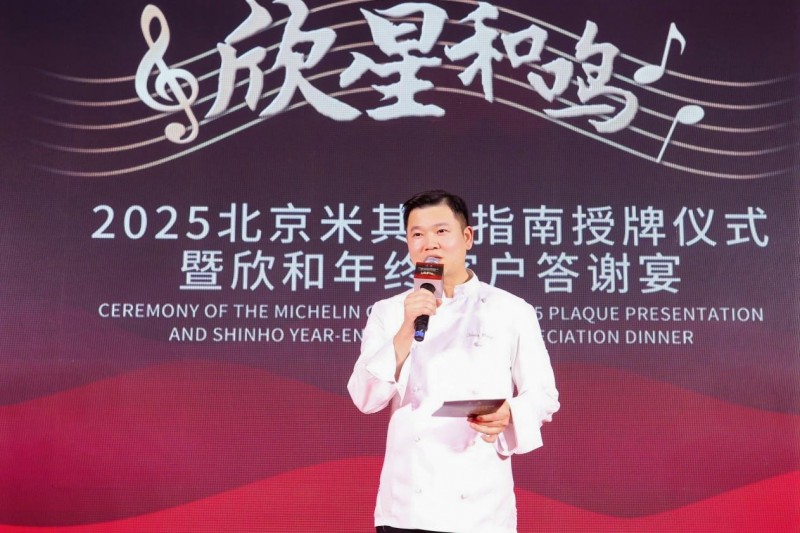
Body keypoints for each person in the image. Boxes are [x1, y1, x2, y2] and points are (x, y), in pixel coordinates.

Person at [348, 190, 560, 533]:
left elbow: (544, 395)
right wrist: (406, 329)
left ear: (467, 237)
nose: (429, 243)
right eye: (417, 234)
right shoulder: (390, 312)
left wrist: (510, 413)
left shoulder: (511, 310)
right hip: (407, 508)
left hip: (481, 508)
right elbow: (364, 397)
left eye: (441, 231)